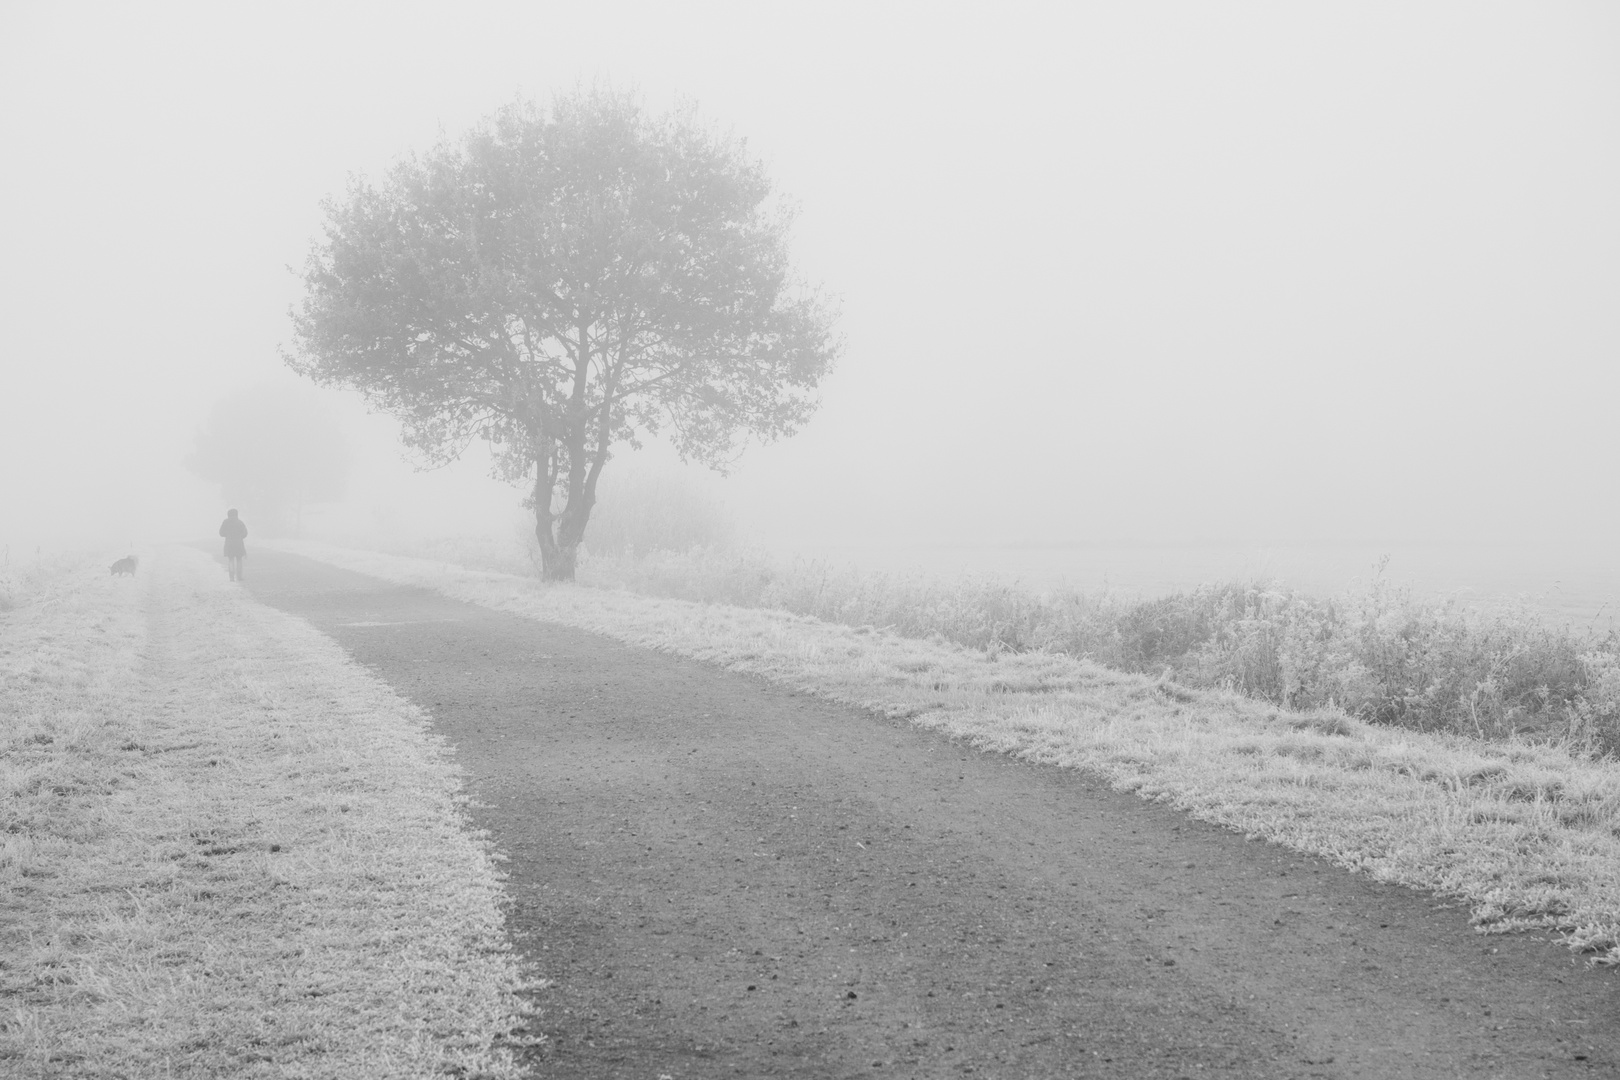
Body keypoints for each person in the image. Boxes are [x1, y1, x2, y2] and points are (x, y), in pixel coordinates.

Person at [219, 509, 248, 581]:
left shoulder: (225, 522)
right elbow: (245, 533)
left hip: (229, 543)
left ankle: (231, 577)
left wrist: (228, 535)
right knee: (239, 560)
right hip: (239, 544)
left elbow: (221, 533)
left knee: (231, 560)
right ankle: (239, 576)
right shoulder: (240, 522)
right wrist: (240, 536)